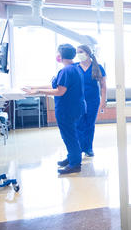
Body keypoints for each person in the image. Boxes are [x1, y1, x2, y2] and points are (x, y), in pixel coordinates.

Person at [24, 44, 85, 175]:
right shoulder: (75, 68)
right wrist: (34, 87)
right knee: (72, 134)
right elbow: (56, 85)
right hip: (74, 107)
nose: (56, 55)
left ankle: (75, 164)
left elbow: (59, 91)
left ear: (61, 55)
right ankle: (72, 158)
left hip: (67, 109)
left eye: (58, 53)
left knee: (69, 136)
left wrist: (38, 91)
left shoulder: (66, 71)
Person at [74, 44, 106, 158]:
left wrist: (103, 101)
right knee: (79, 124)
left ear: (87, 53)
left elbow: (103, 86)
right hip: (78, 101)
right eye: (77, 52)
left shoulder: (97, 67)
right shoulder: (74, 67)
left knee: (90, 124)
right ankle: (79, 148)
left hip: (93, 100)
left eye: (80, 52)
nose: (78, 54)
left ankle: (88, 148)